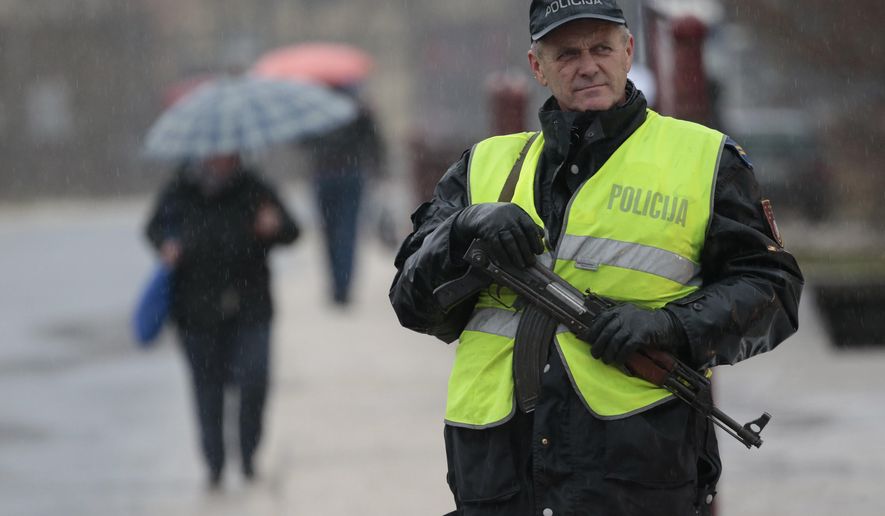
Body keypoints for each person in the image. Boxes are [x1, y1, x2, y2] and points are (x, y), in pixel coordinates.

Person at [389, 2, 804, 515]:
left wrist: (669, 326)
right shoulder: (481, 166)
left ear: (628, 52)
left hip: (634, 470)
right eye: (566, 54)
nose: (587, 65)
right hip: (498, 472)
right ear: (536, 66)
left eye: (601, 48)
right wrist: (460, 229)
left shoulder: (705, 161)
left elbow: (775, 291)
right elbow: (411, 301)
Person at [145, 154, 300, 488]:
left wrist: (274, 227)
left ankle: (248, 456)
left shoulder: (255, 187)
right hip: (195, 311)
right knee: (207, 390)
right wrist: (166, 245)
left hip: (252, 306)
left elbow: (292, 230)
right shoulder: (180, 188)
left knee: (254, 381)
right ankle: (214, 465)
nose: (222, 156)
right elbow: (153, 228)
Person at [303, 84, 385, 306]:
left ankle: (338, 285)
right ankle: (342, 286)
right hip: (348, 173)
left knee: (331, 232)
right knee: (345, 232)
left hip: (328, 173)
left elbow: (304, 142)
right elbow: (374, 141)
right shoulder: (357, 107)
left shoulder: (318, 109)